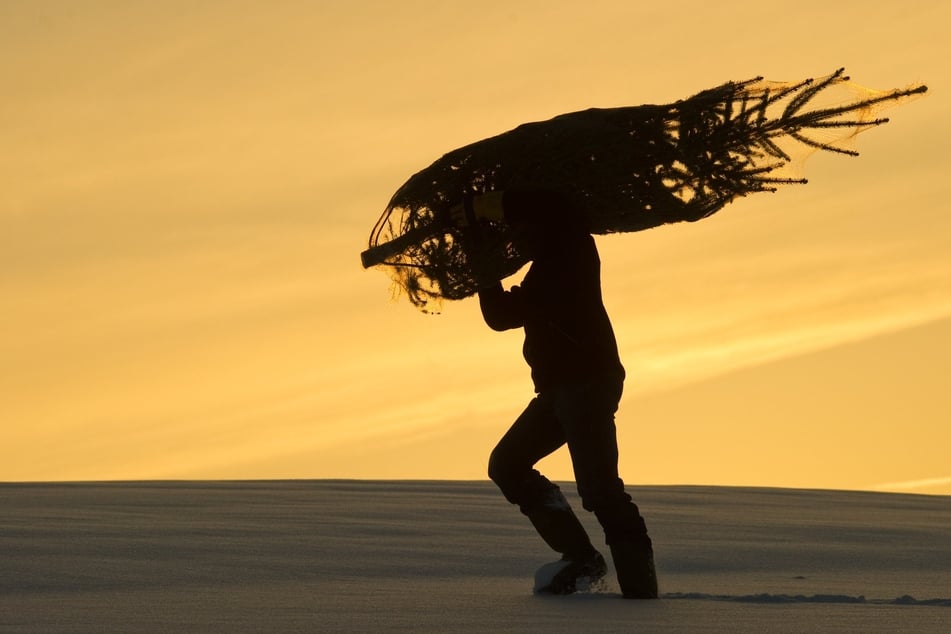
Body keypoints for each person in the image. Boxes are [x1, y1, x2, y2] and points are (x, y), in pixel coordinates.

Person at [458, 188, 658, 599]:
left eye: (522, 229)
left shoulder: (571, 248)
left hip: (587, 384)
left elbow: (543, 206)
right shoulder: (547, 263)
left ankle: (641, 594)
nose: (517, 238)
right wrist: (475, 243)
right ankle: (581, 558)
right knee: (508, 465)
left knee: (600, 490)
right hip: (557, 391)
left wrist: (476, 213)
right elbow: (501, 315)